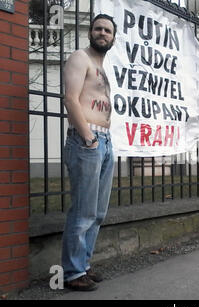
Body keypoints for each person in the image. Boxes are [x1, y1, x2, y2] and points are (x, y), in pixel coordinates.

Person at [62, 14, 117, 291]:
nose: (102, 33)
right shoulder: (79, 57)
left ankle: (83, 264)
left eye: (107, 30)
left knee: (97, 212)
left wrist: (102, 140)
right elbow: (71, 99)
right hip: (87, 141)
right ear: (90, 32)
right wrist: (88, 137)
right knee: (83, 210)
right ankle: (72, 273)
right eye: (98, 28)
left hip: (104, 142)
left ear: (113, 37)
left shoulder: (102, 67)